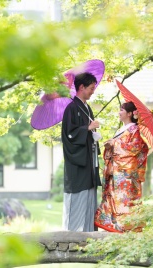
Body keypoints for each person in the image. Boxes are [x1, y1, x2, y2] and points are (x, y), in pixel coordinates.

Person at [94, 101, 149, 232]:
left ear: (130, 113)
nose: (119, 112)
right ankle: (115, 225)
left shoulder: (135, 129)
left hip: (127, 173)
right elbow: (116, 147)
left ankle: (130, 227)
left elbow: (135, 148)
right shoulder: (121, 130)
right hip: (116, 170)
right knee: (114, 197)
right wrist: (109, 146)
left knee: (126, 200)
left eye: (121, 110)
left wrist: (115, 144)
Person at [61, 72, 102, 232]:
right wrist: (87, 128)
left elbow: (86, 133)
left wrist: (93, 134)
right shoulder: (71, 108)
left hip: (89, 161)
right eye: (91, 88)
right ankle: (72, 236)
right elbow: (68, 135)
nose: (93, 91)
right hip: (78, 164)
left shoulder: (86, 108)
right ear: (81, 87)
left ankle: (88, 234)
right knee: (78, 197)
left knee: (90, 197)